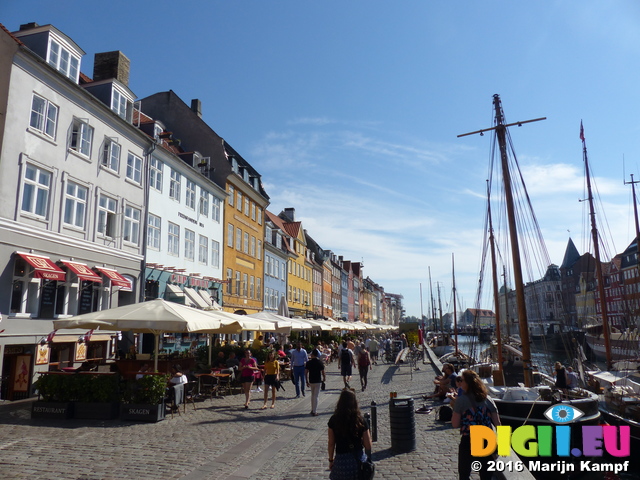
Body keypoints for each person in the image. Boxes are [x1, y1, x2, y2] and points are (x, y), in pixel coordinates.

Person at [452, 369, 501, 480]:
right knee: (486, 475)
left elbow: (454, 424)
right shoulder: (488, 399)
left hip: (469, 440)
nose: (460, 382)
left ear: (467, 383)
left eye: (462, 380)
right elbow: (498, 424)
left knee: (464, 473)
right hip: (486, 440)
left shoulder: (461, 400)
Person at [327, 389, 373, 479]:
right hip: (358, 462)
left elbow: (331, 443)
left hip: (341, 463)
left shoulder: (334, 420)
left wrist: (331, 460)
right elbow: (368, 446)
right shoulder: (360, 420)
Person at [305, 348, 326, 416]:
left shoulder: (309, 363)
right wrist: (324, 378)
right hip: (318, 380)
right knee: (316, 396)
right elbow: (323, 371)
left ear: (312, 355)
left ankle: (312, 409)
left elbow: (306, 372)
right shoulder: (319, 362)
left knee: (312, 395)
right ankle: (314, 410)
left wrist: (306, 381)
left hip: (311, 380)